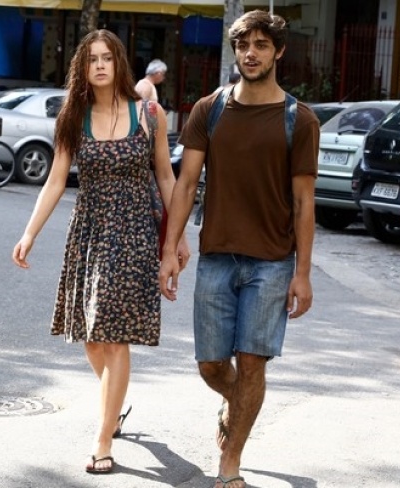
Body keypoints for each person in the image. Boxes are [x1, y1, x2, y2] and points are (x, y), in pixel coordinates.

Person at [11, 29, 190, 475]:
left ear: (120, 63)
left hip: (133, 234)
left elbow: (167, 179)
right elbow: (55, 179)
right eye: (92, 59)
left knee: (113, 337)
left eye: (108, 58)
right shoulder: (73, 117)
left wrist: (178, 236)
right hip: (88, 232)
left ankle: (102, 439)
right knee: (91, 337)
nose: (100, 65)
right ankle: (116, 405)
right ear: (82, 67)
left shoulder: (149, 113)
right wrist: (30, 232)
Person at [158, 10, 319, 488]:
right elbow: (186, 185)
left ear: (279, 52)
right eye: (244, 45)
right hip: (217, 256)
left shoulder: (299, 119)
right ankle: (237, 404)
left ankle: (230, 464)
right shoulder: (211, 108)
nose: (251, 53)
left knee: (252, 362)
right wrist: (170, 248)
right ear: (235, 51)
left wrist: (303, 272)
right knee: (211, 365)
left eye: (261, 45)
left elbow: (304, 202)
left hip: (272, 262)